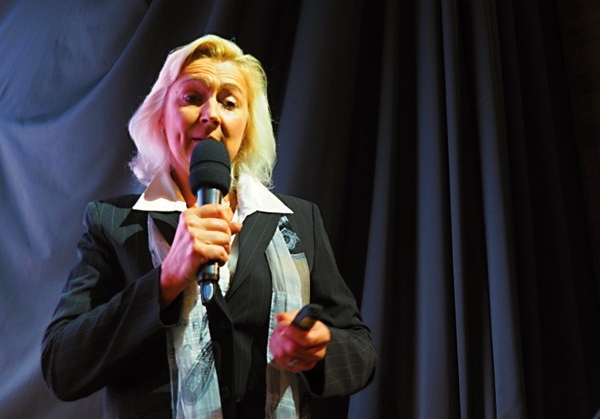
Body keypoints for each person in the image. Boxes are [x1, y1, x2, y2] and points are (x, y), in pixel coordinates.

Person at [41, 34, 376, 418]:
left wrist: (319, 349)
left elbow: (361, 352)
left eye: (229, 102)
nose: (211, 114)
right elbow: (62, 367)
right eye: (192, 97)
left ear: (247, 127)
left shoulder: (298, 220)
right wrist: (167, 279)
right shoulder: (113, 223)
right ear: (161, 119)